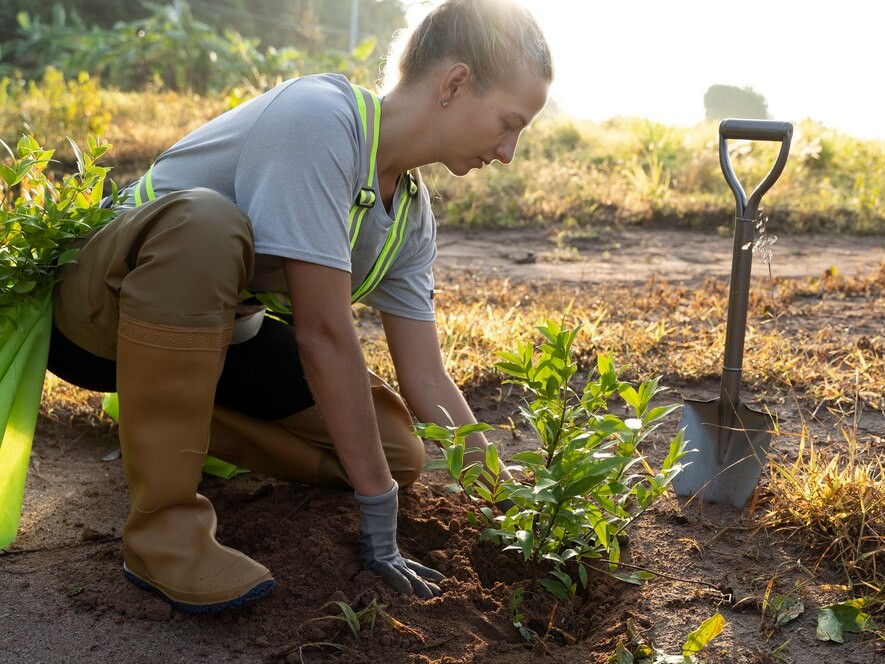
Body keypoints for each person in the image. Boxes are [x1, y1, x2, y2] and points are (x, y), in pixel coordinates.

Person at [47, 0, 552, 613]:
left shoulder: (410, 219)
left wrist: (517, 498)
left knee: (396, 452)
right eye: (509, 122)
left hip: (212, 340)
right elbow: (323, 333)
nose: (508, 151)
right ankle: (163, 534)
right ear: (454, 84)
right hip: (98, 311)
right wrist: (378, 522)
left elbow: (425, 376)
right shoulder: (320, 119)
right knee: (209, 223)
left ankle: (165, 431)